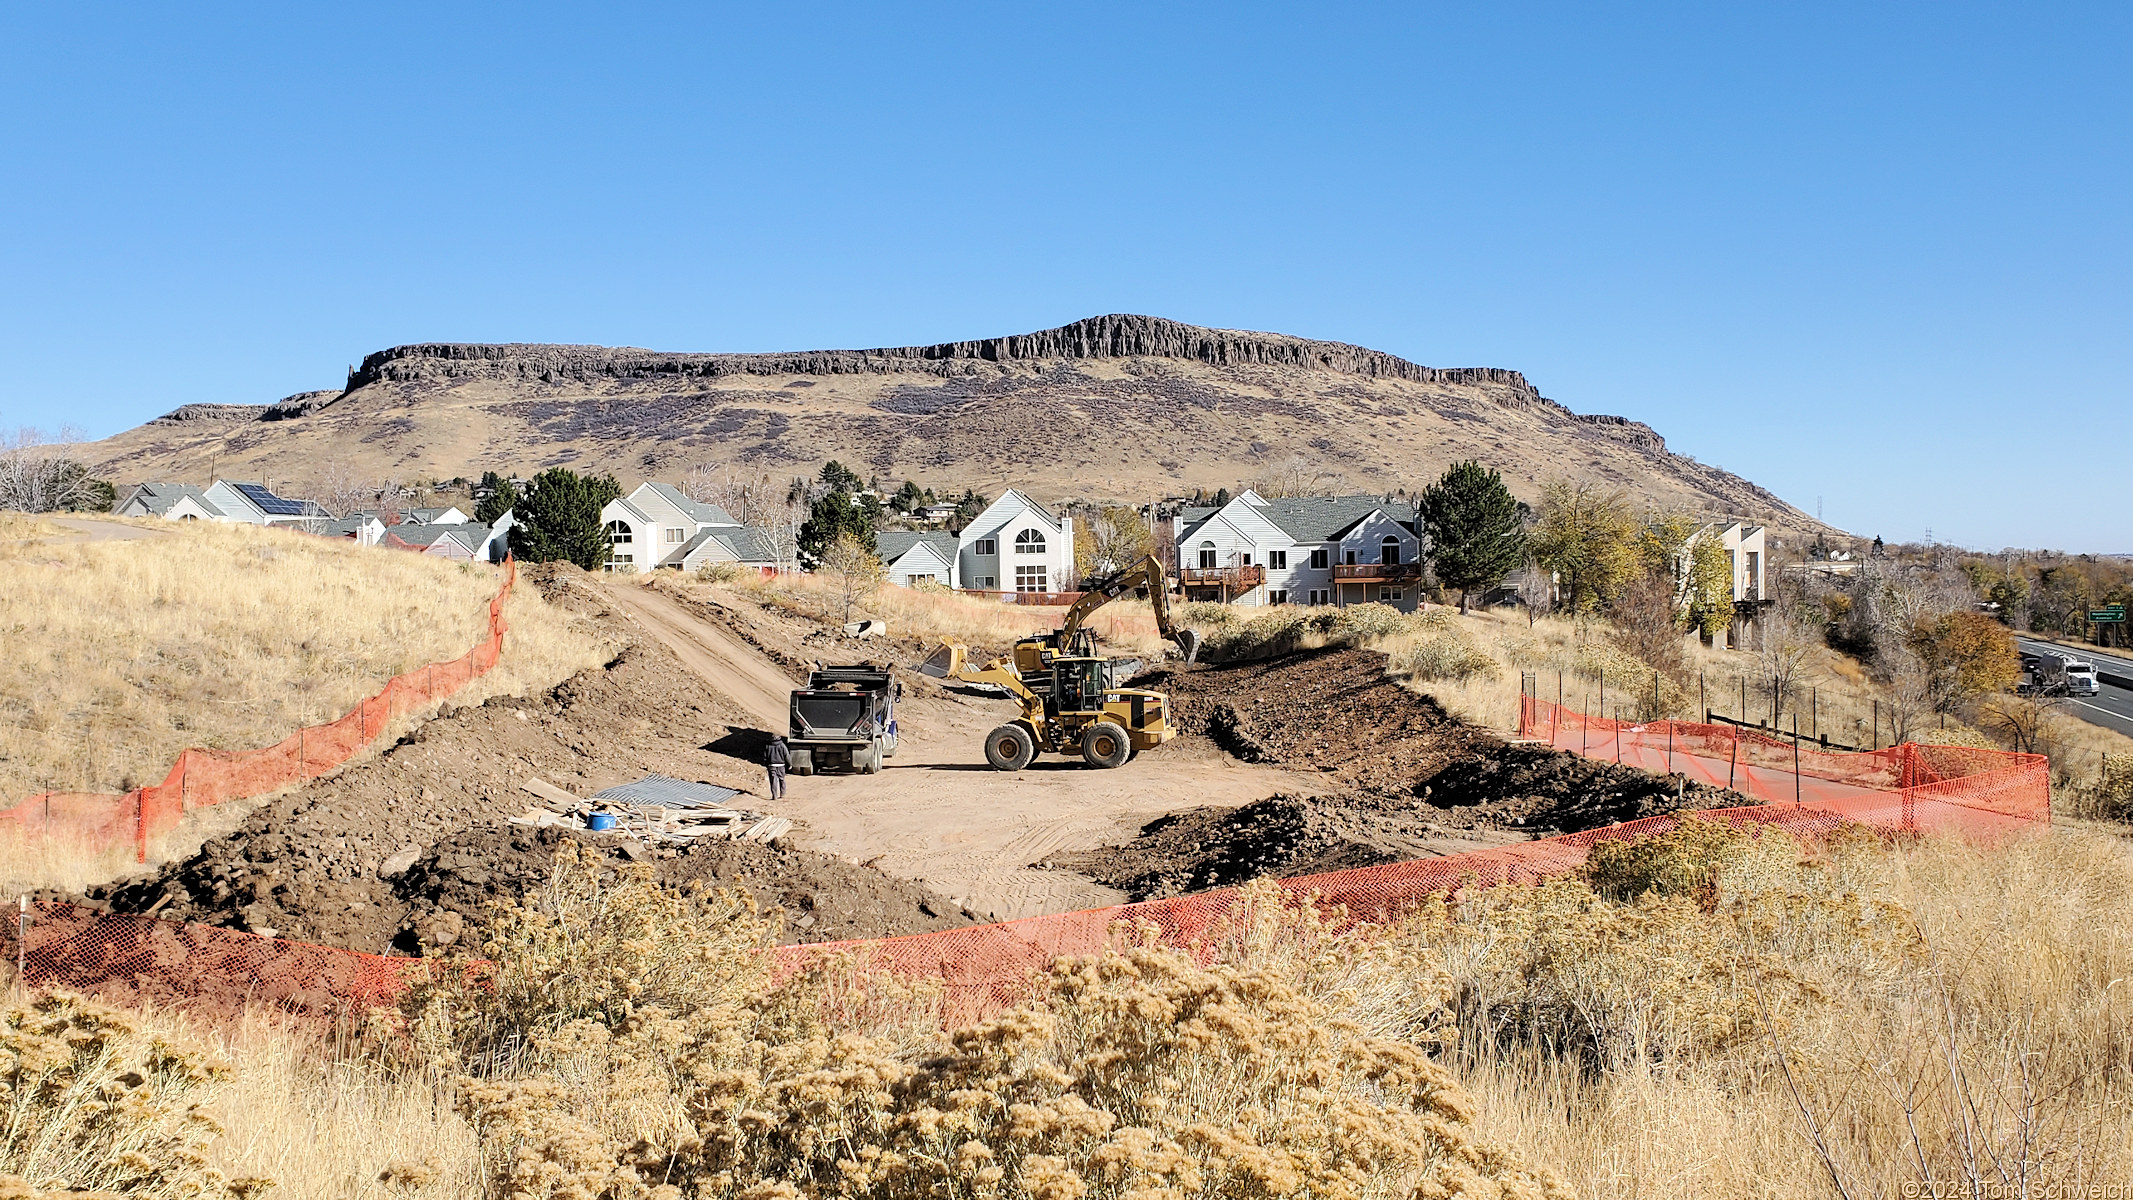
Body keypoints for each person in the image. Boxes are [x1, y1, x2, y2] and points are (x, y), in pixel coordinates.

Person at [764, 734, 790, 800]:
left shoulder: (768, 746)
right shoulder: (782, 745)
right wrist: (790, 764)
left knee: (773, 781)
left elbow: (765, 757)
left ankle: (774, 795)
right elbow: (786, 755)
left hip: (771, 765)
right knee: (782, 779)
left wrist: (767, 765)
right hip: (781, 766)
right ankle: (782, 794)